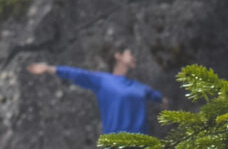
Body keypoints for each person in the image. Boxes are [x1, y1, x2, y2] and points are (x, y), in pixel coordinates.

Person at [29, 47, 163, 139]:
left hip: (142, 144)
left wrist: (164, 101)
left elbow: (157, 97)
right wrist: (48, 68)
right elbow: (77, 74)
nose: (133, 57)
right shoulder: (103, 80)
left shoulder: (138, 86)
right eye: (129, 53)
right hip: (117, 145)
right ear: (118, 56)